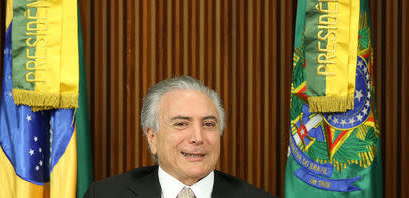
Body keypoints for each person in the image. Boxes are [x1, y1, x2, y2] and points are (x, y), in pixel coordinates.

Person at [84, 76, 275, 198]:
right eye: (181, 124)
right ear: (152, 138)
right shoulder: (104, 194)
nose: (198, 138)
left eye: (208, 124)